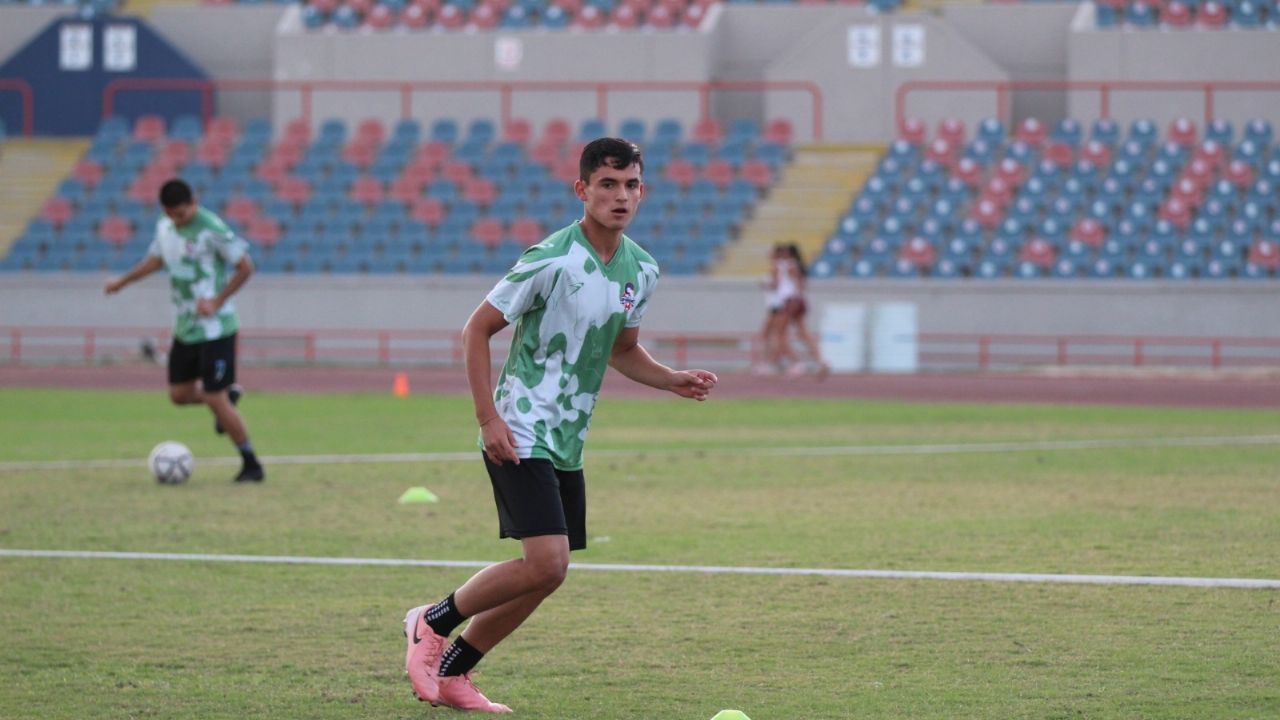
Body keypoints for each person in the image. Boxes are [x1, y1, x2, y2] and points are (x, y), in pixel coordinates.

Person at [402, 138, 718, 713]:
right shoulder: (550, 257)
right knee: (548, 562)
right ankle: (431, 620)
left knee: (547, 574)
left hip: (568, 438)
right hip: (520, 427)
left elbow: (622, 350)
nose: (621, 196)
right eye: (607, 184)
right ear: (582, 190)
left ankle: (454, 674)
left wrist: (669, 377)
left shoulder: (641, 270)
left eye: (631, 186)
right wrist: (487, 417)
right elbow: (476, 330)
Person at [104, 178, 265, 483]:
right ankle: (228, 397)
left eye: (183, 213)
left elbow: (246, 266)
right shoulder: (164, 229)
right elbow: (154, 261)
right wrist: (122, 282)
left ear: (194, 202)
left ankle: (251, 463)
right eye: (173, 214)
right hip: (186, 327)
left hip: (217, 328)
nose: (179, 219)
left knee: (214, 397)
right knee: (179, 395)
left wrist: (217, 301)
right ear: (165, 211)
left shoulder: (211, 228)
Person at [778, 243, 828, 378]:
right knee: (803, 333)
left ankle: (796, 362)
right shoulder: (794, 265)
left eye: (785, 252)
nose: (783, 255)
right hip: (797, 301)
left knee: (781, 333)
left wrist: (794, 301)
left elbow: (798, 285)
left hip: (792, 301)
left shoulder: (791, 265)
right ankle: (820, 361)